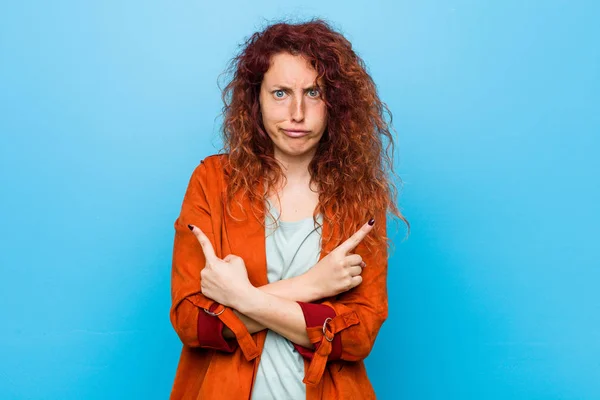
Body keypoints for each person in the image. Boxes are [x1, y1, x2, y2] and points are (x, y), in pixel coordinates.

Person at [169, 18, 409, 399]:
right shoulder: (212, 181)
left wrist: (240, 298)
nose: (297, 113)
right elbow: (191, 322)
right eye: (280, 93)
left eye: (313, 93)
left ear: (337, 104)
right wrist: (310, 287)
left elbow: (359, 334)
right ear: (256, 100)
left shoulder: (359, 196)